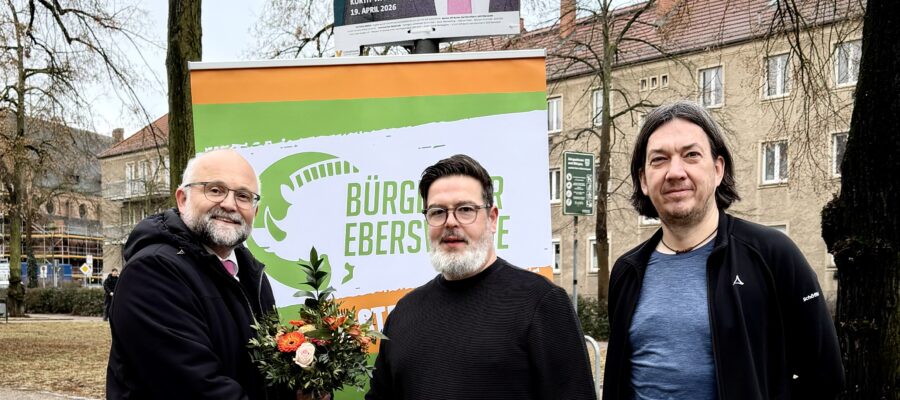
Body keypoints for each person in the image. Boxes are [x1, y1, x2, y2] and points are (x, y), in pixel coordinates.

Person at [603, 101, 844, 399]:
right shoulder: (627, 272)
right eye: (659, 159)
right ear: (643, 180)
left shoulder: (772, 255)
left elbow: (825, 378)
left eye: (691, 155)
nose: (675, 172)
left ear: (718, 169)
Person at [366, 154, 597, 400]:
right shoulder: (404, 314)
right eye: (437, 212)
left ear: (492, 218)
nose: (450, 222)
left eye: (465, 210)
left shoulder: (541, 303)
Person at [106, 149, 285, 399]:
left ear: (254, 212)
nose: (229, 204)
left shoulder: (252, 275)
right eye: (215, 190)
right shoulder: (152, 272)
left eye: (243, 196)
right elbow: (198, 389)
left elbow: (264, 373)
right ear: (183, 199)